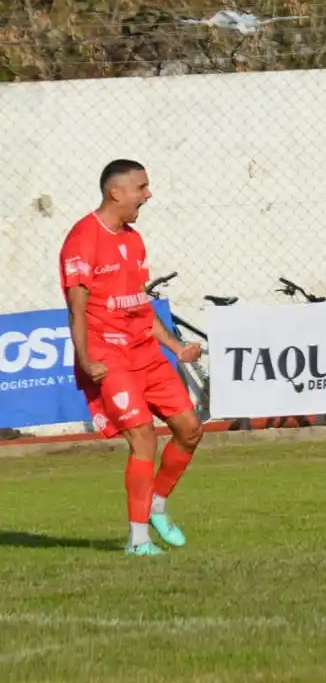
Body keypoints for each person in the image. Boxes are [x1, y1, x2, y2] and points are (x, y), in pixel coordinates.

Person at [60, 160, 204, 556]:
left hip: (147, 353)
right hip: (109, 357)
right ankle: (137, 540)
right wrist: (87, 361)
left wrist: (176, 348)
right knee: (143, 436)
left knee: (190, 429)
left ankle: (157, 504)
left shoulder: (133, 239)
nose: (148, 193)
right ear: (115, 192)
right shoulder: (82, 240)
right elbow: (76, 309)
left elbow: (139, 306)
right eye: (142, 186)